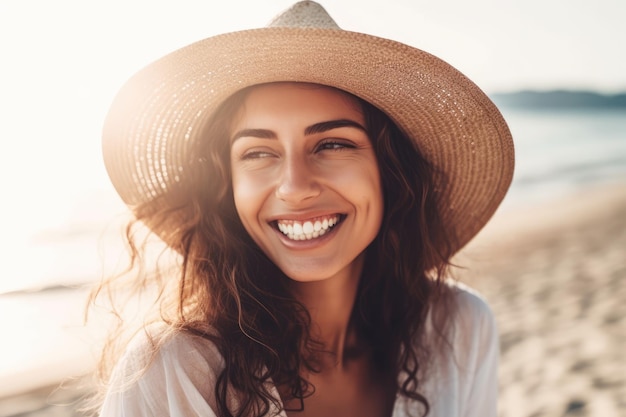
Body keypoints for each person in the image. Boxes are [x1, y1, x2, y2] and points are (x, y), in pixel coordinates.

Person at [92, 1, 514, 416]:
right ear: (227, 187)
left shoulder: (460, 327)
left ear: (390, 171)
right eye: (258, 153)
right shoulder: (175, 370)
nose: (295, 188)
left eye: (332, 144)